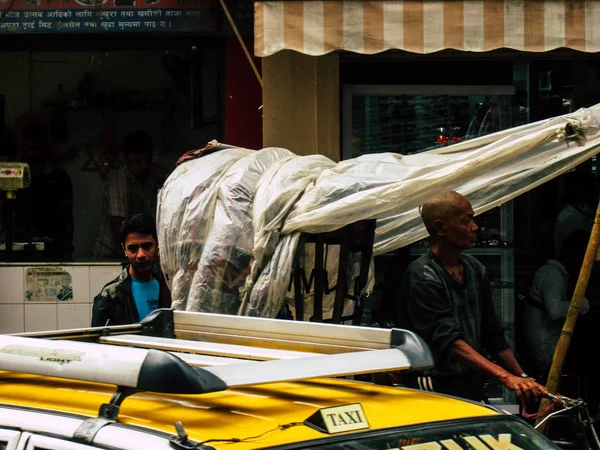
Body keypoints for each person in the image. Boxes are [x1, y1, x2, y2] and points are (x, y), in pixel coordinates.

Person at [398, 191, 547, 403]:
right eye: (466, 221)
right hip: (434, 382)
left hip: (470, 379)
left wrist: (522, 378)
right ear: (440, 228)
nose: (475, 227)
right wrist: (506, 377)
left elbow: (492, 333)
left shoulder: (474, 268)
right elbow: (450, 342)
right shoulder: (423, 274)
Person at [523, 231, 591, 382]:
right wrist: (585, 303)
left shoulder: (554, 272)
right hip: (548, 351)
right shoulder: (553, 275)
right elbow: (555, 311)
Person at [93, 130, 167, 259]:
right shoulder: (118, 182)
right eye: (137, 161)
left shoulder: (153, 173)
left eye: (147, 160)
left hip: (136, 252)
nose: (143, 166)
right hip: (110, 256)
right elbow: (118, 228)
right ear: (125, 159)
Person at [92, 213, 171, 326]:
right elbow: (99, 341)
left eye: (147, 246)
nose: (140, 254)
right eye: (133, 248)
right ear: (124, 249)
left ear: (157, 245)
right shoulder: (110, 298)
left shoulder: (169, 286)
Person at [12, 122, 73, 260]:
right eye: (30, 148)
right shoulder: (14, 179)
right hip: (21, 246)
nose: (34, 153)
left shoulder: (59, 177)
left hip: (55, 247)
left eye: (37, 147)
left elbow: (68, 216)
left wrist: (67, 249)